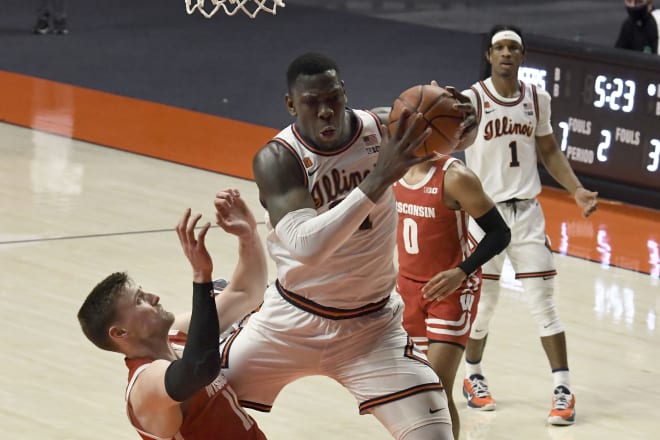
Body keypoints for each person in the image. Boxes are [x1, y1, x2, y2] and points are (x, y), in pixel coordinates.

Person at [217, 51, 476, 440]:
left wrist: (461, 120)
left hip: (371, 328)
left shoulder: (382, 127)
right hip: (291, 322)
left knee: (435, 434)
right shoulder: (278, 159)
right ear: (290, 104)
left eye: (333, 97)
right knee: (197, 398)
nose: (326, 111)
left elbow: (447, 139)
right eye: (312, 101)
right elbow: (307, 246)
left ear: (345, 93)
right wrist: (378, 179)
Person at [452, 25, 599, 426]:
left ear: (522, 55)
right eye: (499, 47)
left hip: (527, 213)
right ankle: (473, 375)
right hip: (485, 215)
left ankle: (563, 388)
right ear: (489, 55)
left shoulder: (537, 99)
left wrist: (577, 190)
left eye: (512, 48)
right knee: (484, 306)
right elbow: (449, 148)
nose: (505, 54)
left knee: (543, 304)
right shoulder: (470, 100)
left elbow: (549, 150)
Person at [77, 189, 268, 440]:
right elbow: (198, 369)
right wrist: (201, 277)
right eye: (140, 300)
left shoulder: (179, 334)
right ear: (120, 332)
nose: (154, 297)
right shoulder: (144, 387)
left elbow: (245, 292)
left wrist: (248, 235)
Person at [390, 151, 511, 439]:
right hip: (407, 288)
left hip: (451, 291)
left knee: (436, 387)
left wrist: (461, 271)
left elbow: (500, 233)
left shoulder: (455, 176)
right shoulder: (391, 167)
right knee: (413, 390)